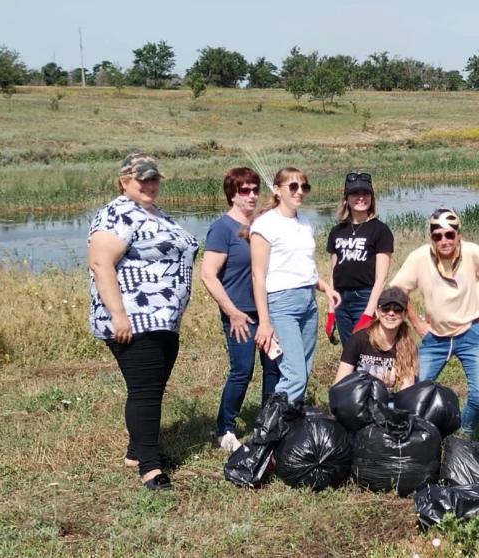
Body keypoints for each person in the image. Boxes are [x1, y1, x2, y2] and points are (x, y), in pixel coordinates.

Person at [88, 152, 199, 490]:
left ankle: (137, 452)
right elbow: (100, 263)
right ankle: (150, 469)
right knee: (145, 392)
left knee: (151, 389)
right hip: (134, 320)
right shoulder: (116, 213)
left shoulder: (154, 213)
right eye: (142, 179)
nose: (150, 185)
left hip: (163, 320)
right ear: (124, 181)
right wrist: (119, 315)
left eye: (154, 178)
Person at [391, 208, 479, 438]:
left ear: (459, 234)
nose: (444, 240)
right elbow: (398, 289)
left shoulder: (473, 253)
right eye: (437, 235)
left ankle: (463, 432)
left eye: (450, 235)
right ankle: (417, 434)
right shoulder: (419, 257)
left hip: (471, 334)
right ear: (431, 237)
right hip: (435, 338)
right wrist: (417, 323)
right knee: (413, 390)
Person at [200, 167, 281, 453]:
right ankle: (225, 429)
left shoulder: (261, 224)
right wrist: (232, 312)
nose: (251, 195)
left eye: (254, 190)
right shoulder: (222, 229)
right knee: (242, 370)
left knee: (274, 369)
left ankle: (269, 424)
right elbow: (208, 275)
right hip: (241, 314)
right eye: (244, 190)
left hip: (267, 312)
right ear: (232, 195)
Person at [250, 167, 340, 404]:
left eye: (304, 186)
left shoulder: (305, 222)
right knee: (295, 375)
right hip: (282, 304)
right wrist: (265, 321)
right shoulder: (265, 225)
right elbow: (258, 276)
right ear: (277, 190)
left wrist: (325, 288)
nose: (300, 191)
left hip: (308, 301)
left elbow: (303, 268)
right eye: (293, 186)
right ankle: (267, 433)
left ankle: (290, 428)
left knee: (305, 370)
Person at [325, 172, 394, 344]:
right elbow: (334, 272)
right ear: (346, 199)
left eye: (365, 193)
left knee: (366, 348)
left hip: (365, 296)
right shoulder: (337, 231)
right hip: (341, 299)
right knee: (349, 352)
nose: (361, 198)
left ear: (372, 197)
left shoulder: (380, 230)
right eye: (355, 193)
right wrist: (331, 310)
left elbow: (381, 277)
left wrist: (368, 313)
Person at [332, 287, 417, 391]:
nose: (391, 313)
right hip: (358, 400)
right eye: (386, 308)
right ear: (377, 311)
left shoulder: (408, 345)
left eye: (397, 309)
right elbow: (339, 385)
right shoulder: (358, 340)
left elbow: (406, 392)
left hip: (389, 403)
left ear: (405, 314)